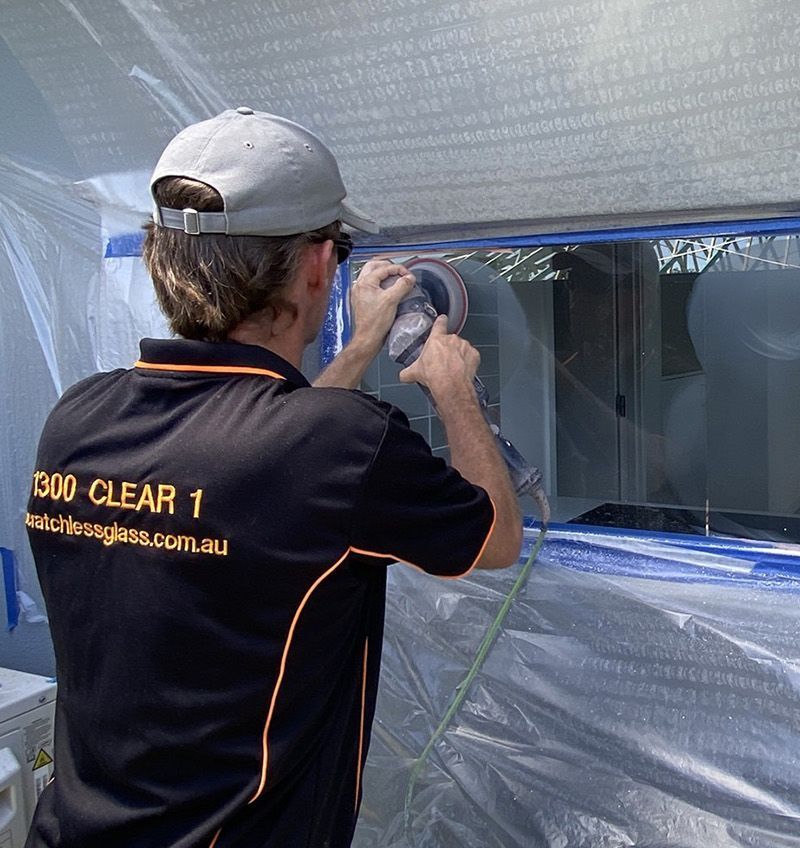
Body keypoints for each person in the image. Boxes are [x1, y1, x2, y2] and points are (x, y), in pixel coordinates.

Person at [23, 108, 522, 847]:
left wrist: (355, 349)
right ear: (319, 263)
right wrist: (451, 387)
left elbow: (264, 449)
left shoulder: (80, 415)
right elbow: (495, 538)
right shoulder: (341, 446)